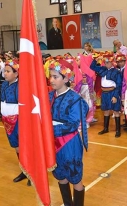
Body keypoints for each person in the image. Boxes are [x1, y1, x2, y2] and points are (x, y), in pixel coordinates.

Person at [46, 59, 88, 206]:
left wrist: (49, 130)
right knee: (60, 175)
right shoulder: (49, 96)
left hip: (69, 144)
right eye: (50, 76)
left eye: (55, 76)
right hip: (53, 143)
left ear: (66, 78)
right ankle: (67, 203)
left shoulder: (75, 99)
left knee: (75, 177)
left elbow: (72, 124)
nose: (51, 80)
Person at [90, 53, 122, 137]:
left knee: (116, 111)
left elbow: (118, 85)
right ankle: (105, 128)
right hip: (104, 93)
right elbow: (92, 67)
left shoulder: (116, 72)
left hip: (113, 92)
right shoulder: (102, 69)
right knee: (106, 110)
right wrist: (96, 59)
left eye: (109, 62)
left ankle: (118, 130)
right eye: (106, 62)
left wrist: (115, 96)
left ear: (112, 62)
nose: (107, 64)